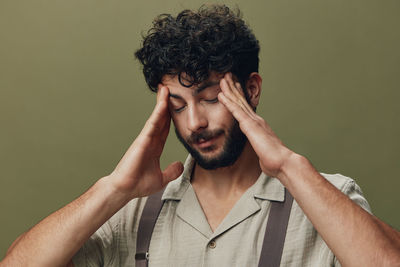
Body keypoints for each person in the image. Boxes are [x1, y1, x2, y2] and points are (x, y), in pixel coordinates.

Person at [1, 4, 399, 267]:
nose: (194, 123)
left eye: (210, 98)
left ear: (252, 89)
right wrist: (112, 190)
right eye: (177, 105)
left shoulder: (326, 197)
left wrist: (288, 167)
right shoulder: (132, 210)